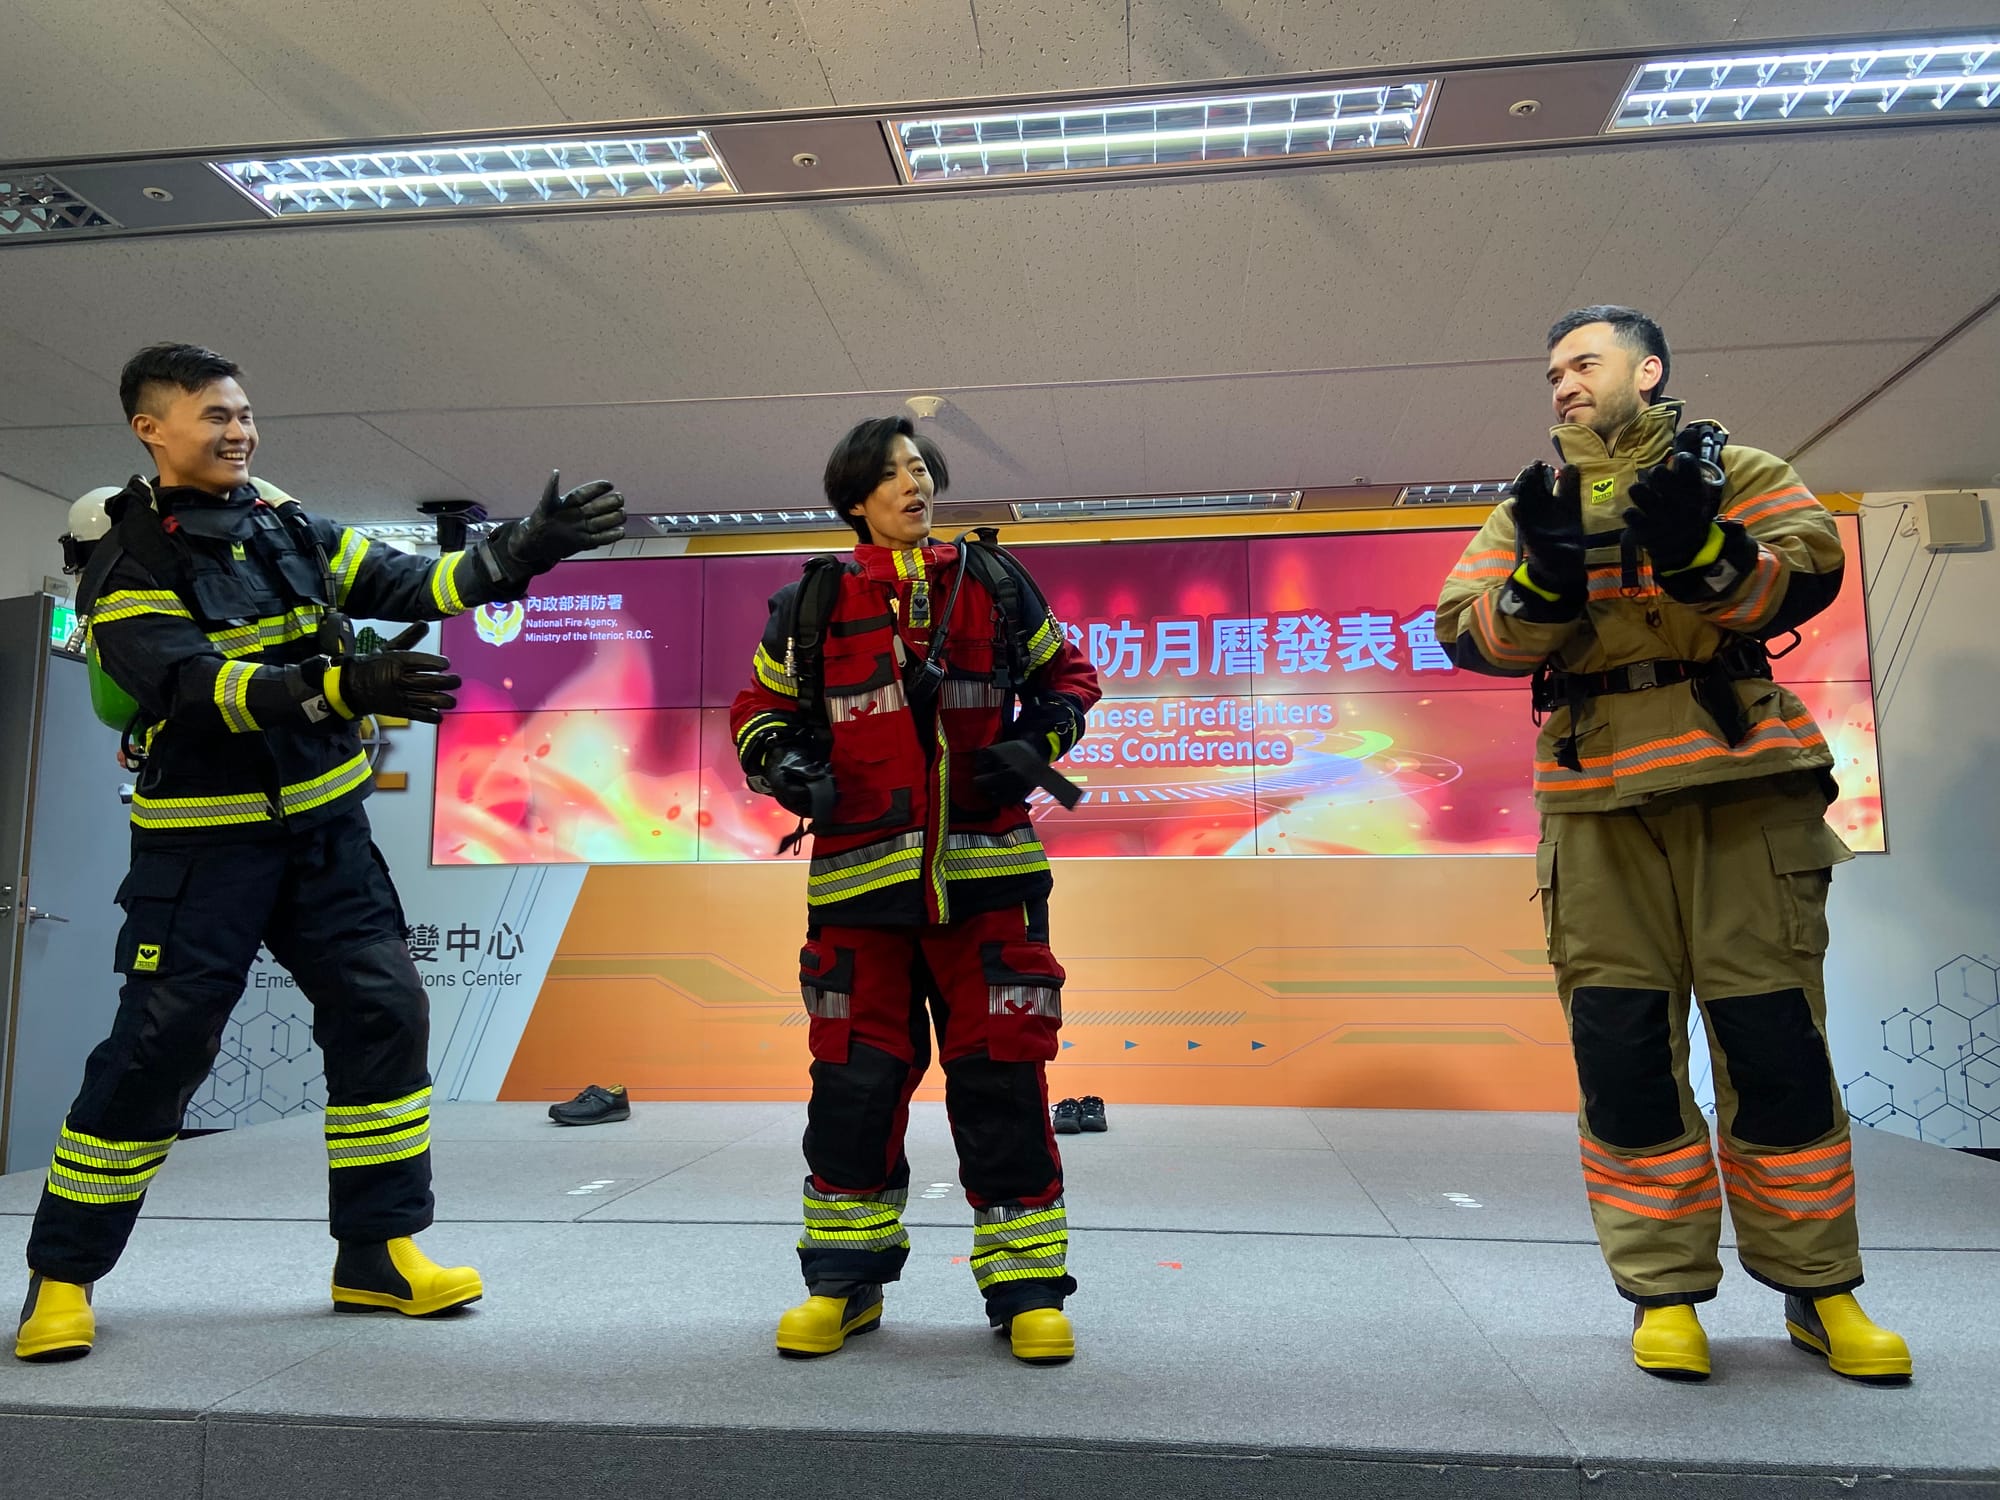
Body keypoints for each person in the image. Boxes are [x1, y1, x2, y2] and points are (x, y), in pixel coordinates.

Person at [15, 343, 624, 1362]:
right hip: (204, 852)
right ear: (150, 430)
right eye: (214, 416)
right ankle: (62, 1277)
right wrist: (340, 689)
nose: (239, 431)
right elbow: (195, 690)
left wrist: (524, 548)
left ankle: (377, 1256)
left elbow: (421, 581)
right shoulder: (128, 567)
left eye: (245, 413)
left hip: (327, 836)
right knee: (157, 1052)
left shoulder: (289, 528)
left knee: (384, 1009)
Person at [1434, 307, 1910, 1385]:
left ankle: (1817, 1290)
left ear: (1645, 371)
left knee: (1774, 1049)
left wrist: (1700, 545)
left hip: (1741, 787)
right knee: (1619, 1057)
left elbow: (1802, 574)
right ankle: (1662, 1295)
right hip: (1593, 805)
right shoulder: (1532, 502)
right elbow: (1466, 632)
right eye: (1550, 369)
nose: (1560, 383)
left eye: (1581, 362)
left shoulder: (1736, 467)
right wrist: (1540, 585)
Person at [728, 416, 1100, 1364]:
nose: (915, 482)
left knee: (1003, 1080)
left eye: (922, 468)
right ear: (854, 497)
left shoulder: (999, 583)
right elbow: (760, 708)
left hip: (986, 885)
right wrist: (783, 765)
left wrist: (1037, 744)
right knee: (852, 1088)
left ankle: (1025, 1292)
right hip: (859, 894)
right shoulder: (808, 604)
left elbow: (1071, 679)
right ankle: (843, 1287)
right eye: (893, 472)